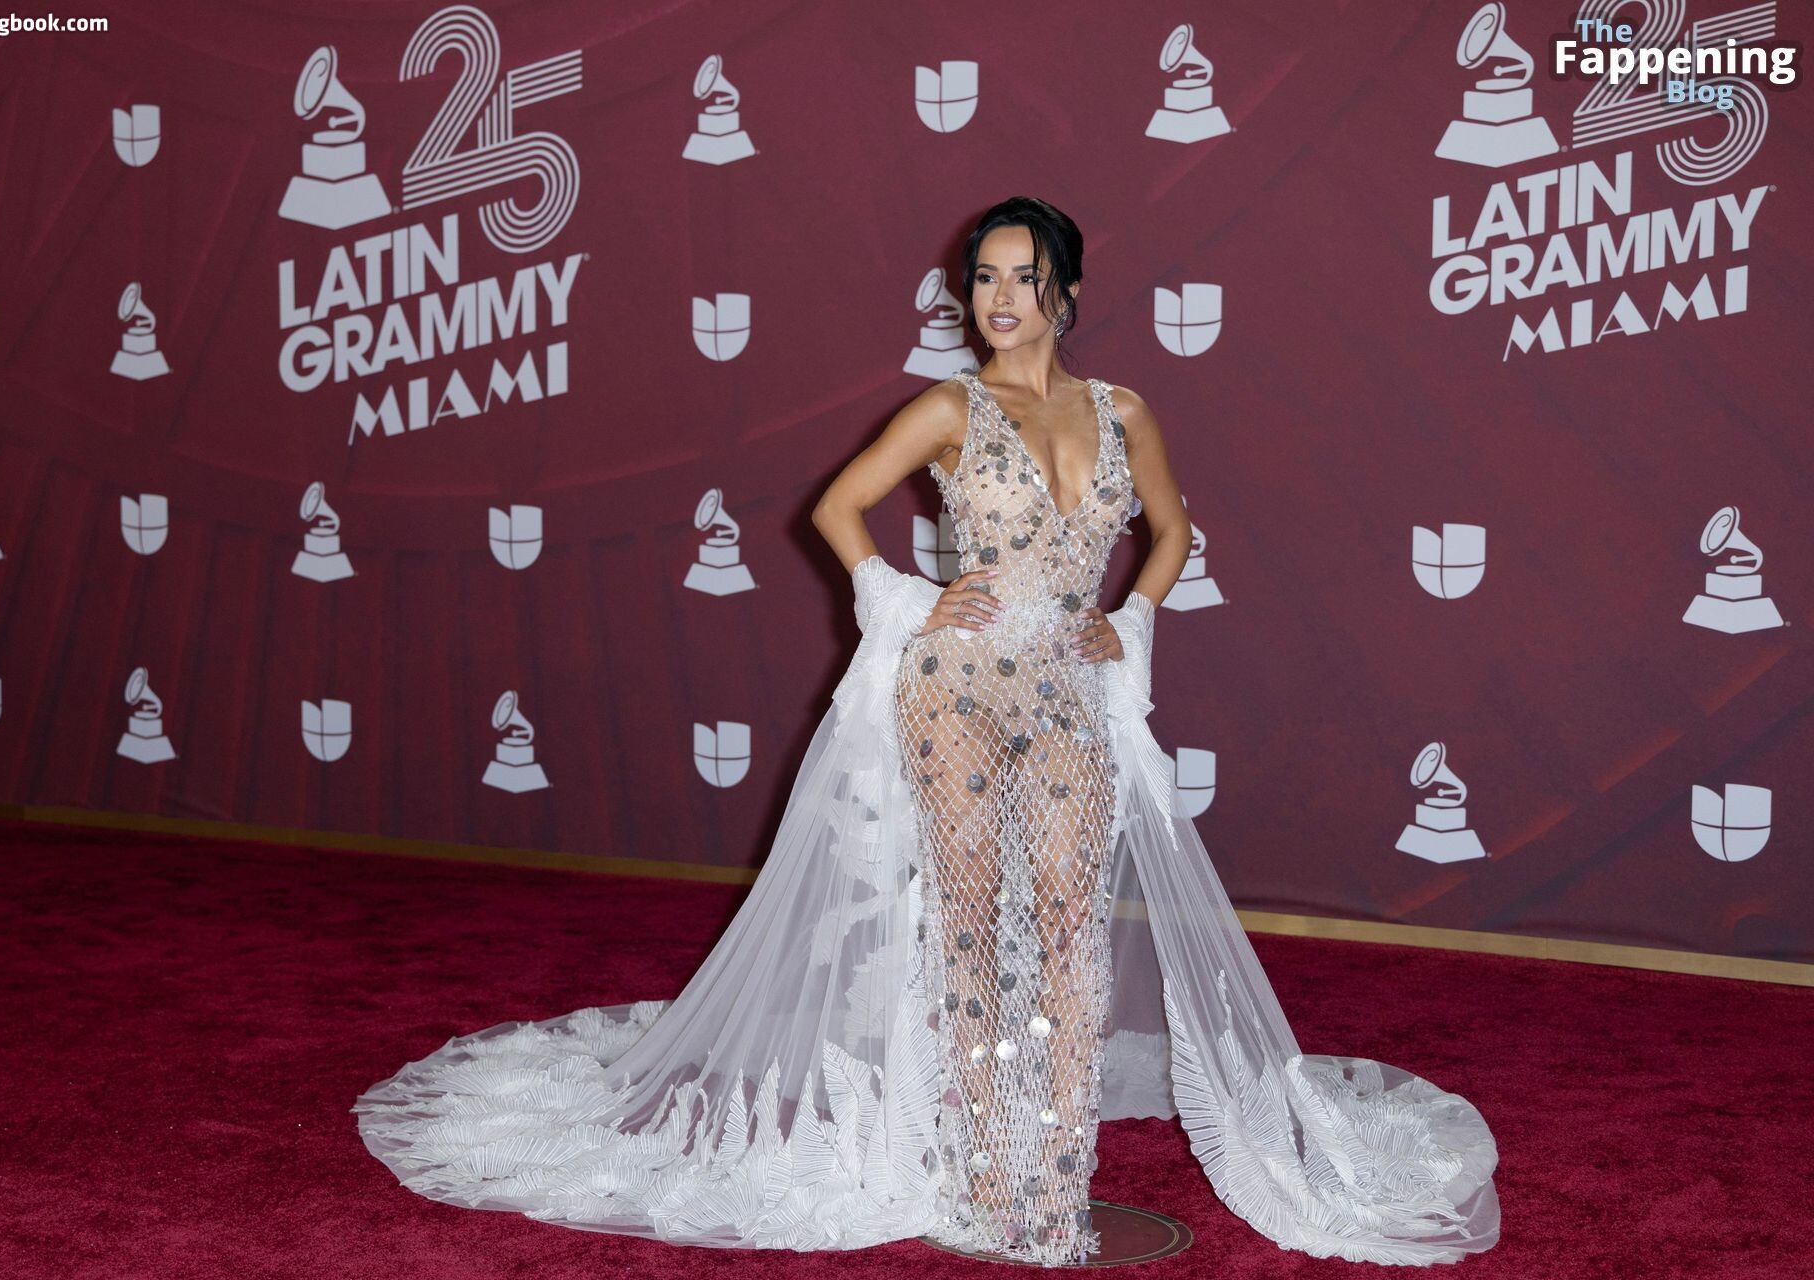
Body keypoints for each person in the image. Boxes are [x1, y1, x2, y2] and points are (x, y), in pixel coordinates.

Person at [352, 197, 1500, 1268]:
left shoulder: (1124, 412)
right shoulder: (950, 407)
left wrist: (1131, 618)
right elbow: (835, 507)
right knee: (970, 921)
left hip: (1067, 694)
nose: (998, 297)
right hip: (955, 690)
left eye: (1023, 277)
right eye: (983, 277)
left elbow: (1172, 530)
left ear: (1067, 291)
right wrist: (909, 600)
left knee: (1068, 928)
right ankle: (982, 1166)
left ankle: (1054, 1168)